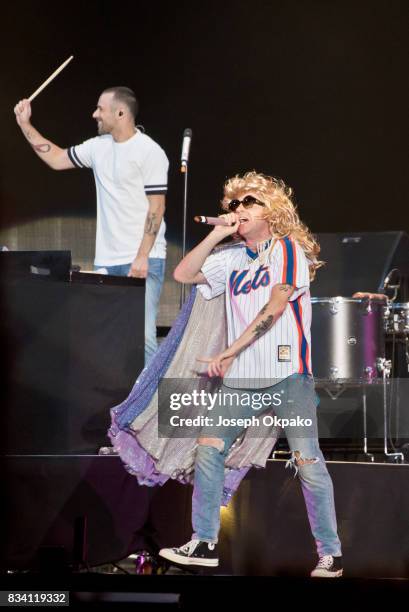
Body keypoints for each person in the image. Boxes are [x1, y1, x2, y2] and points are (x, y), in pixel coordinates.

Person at [157, 171, 342, 577]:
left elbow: (276, 307)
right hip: (241, 380)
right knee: (208, 448)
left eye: (249, 202)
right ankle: (204, 542)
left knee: (307, 461)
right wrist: (216, 234)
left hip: (288, 375)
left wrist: (229, 350)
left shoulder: (288, 250)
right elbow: (183, 275)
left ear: (271, 211)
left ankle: (330, 553)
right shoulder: (231, 259)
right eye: (234, 204)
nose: (238, 209)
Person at [14, 87, 169, 364]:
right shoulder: (98, 148)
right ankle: (118, 403)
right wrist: (26, 124)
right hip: (108, 260)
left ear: (120, 113)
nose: (94, 113)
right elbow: (57, 158)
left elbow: (156, 208)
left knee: (143, 337)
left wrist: (142, 256)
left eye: (100, 109)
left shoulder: (149, 151)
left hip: (143, 258)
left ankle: (151, 405)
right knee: (109, 336)